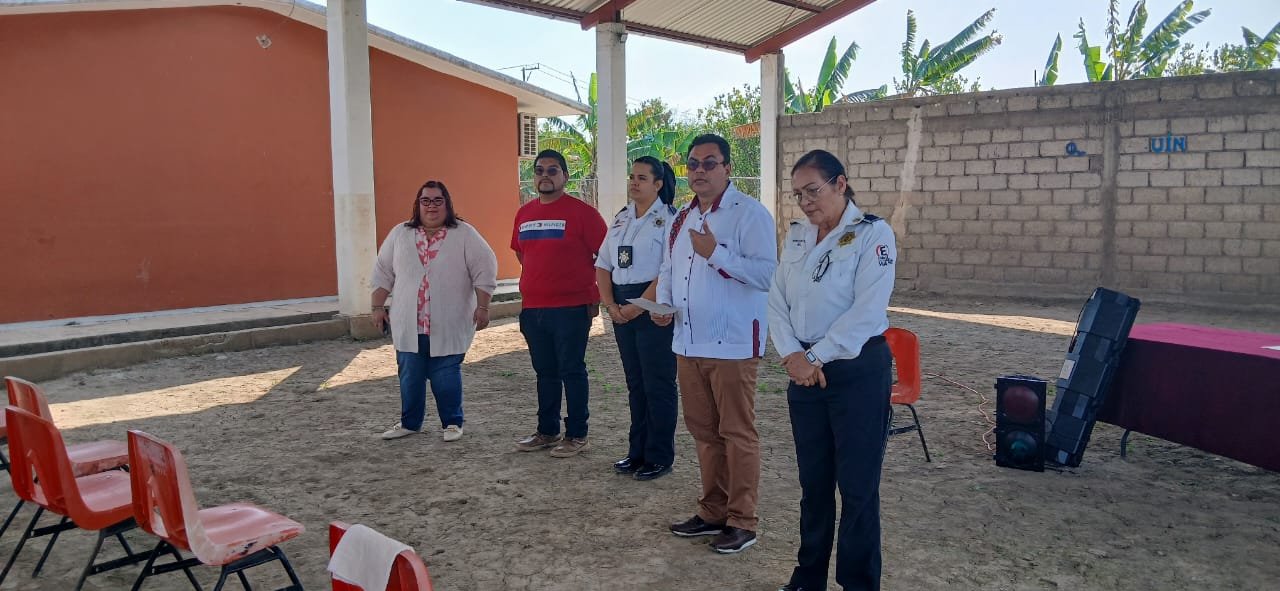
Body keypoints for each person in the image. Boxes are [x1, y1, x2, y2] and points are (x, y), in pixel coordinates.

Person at [768, 149, 897, 591]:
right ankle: (808, 578)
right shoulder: (799, 235)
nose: (805, 202)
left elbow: (866, 312)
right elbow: (776, 300)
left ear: (841, 184)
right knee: (814, 484)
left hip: (855, 371)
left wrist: (815, 357)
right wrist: (791, 356)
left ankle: (858, 583)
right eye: (798, 194)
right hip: (803, 372)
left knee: (858, 488)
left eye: (813, 191)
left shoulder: (872, 234)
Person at [654, 134, 777, 554]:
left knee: (737, 433)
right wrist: (663, 304)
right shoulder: (682, 217)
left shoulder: (750, 214)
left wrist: (716, 253)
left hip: (733, 345)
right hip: (688, 341)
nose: (699, 171)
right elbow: (669, 269)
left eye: (709, 163)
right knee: (704, 433)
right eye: (693, 164)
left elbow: (766, 276)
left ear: (727, 167)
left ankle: (744, 520)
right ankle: (712, 512)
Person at [372, 180, 498, 442]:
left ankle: (452, 423)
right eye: (425, 200)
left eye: (437, 200)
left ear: (447, 204)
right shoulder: (400, 234)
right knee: (410, 376)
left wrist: (483, 306)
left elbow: (485, 267)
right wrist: (377, 306)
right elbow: (382, 271)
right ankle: (410, 422)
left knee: (445, 375)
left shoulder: (464, 234)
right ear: (417, 205)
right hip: (409, 323)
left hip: (449, 321)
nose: (431, 206)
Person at [511, 149, 608, 458]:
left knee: (571, 370)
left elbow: (604, 257)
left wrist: (593, 295)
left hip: (571, 309)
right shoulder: (524, 213)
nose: (545, 175)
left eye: (553, 170)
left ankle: (577, 434)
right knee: (545, 373)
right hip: (534, 309)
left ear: (565, 176)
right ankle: (547, 431)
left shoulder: (583, 213)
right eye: (540, 170)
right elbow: (521, 253)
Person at [596, 156, 679, 481]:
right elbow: (603, 263)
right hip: (620, 306)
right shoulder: (621, 218)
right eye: (632, 176)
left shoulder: (670, 219)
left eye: (642, 178)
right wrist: (611, 306)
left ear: (658, 184)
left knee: (657, 383)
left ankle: (659, 455)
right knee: (635, 383)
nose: (634, 182)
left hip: (653, 305)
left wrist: (639, 306)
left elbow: (668, 269)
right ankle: (637, 452)